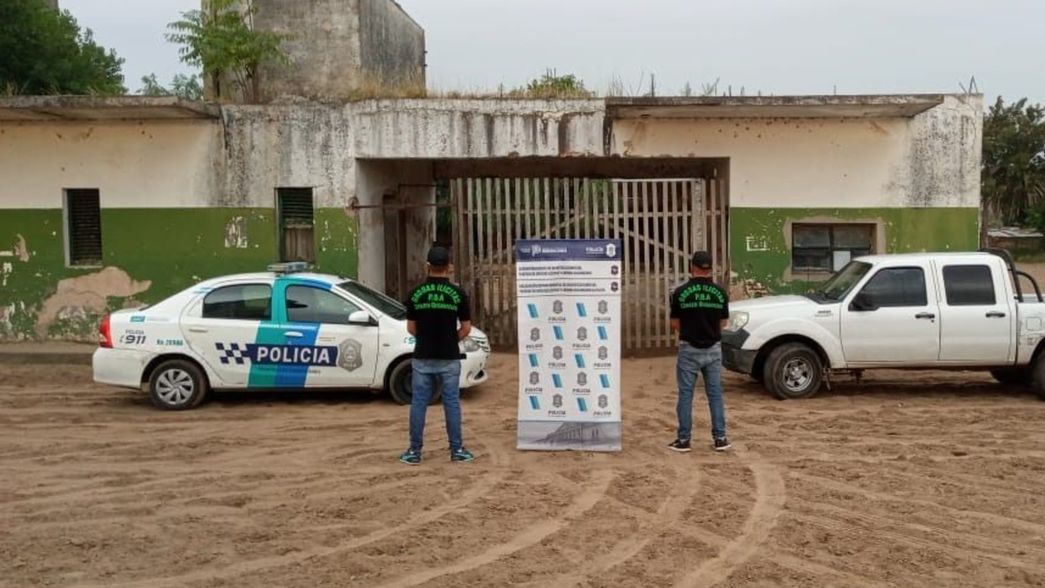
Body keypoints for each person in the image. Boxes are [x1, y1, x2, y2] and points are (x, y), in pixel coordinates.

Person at [399, 246, 475, 465]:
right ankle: (456, 450)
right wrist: (451, 340)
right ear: (449, 267)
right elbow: (467, 328)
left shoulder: (415, 293)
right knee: (451, 403)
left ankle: (414, 452)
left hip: (423, 356)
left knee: (419, 403)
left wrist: (426, 339)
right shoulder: (459, 294)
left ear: (428, 266)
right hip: (449, 357)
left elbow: (411, 329)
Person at [668, 251, 731, 452]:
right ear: (710, 268)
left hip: (689, 348)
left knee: (686, 394)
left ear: (691, 266)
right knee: (715, 395)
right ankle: (720, 438)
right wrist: (709, 332)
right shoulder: (720, 292)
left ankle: (684, 440)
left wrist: (691, 331)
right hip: (713, 349)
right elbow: (723, 321)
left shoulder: (679, 292)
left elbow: (675, 323)